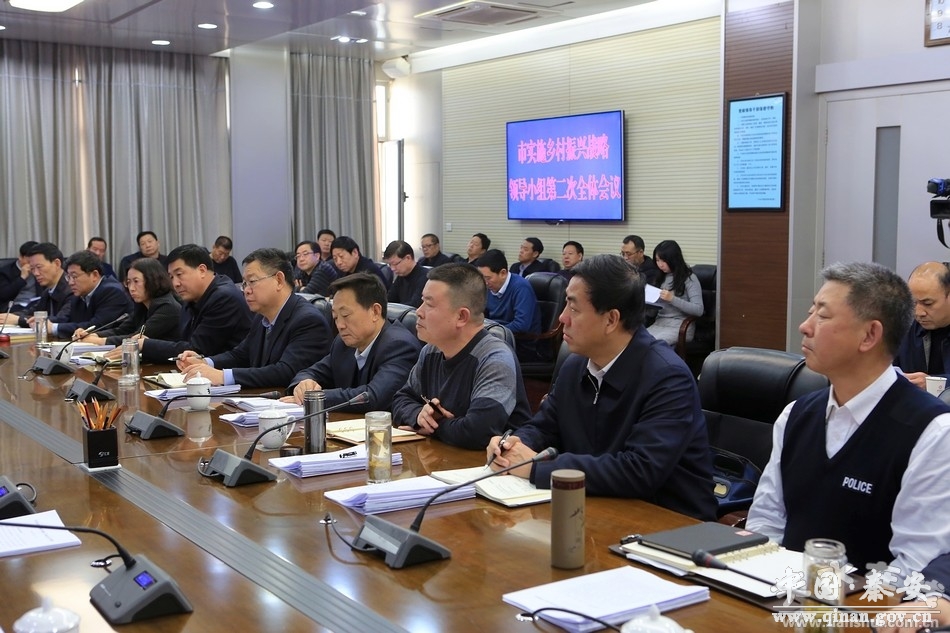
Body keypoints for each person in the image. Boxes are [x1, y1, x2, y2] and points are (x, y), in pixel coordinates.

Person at [746, 262, 950, 576]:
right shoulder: (796, 415)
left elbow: (915, 565)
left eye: (823, 316)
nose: (805, 327)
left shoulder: (932, 432)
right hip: (782, 592)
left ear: (869, 335)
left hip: (868, 602)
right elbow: (766, 523)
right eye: (811, 311)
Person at [486, 255, 716, 520]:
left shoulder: (667, 377)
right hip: (594, 507)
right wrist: (514, 444)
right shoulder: (575, 365)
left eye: (574, 309)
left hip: (668, 523)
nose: (562, 318)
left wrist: (536, 468)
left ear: (611, 320)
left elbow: (640, 470)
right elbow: (544, 427)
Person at [391, 263, 532, 450]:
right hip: (442, 455)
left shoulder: (496, 359)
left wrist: (434, 426)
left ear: (461, 317)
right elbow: (400, 400)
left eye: (429, 304)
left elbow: (478, 431)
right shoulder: (431, 350)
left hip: (489, 464)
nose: (418, 311)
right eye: (422, 301)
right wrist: (419, 416)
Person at [177, 248, 331, 388]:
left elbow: (286, 372)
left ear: (279, 280)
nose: (246, 290)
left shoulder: (308, 320)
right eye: (244, 284)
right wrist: (205, 362)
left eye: (252, 282)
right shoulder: (261, 317)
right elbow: (241, 355)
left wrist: (222, 376)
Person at [284, 273, 421, 412]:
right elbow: (312, 372)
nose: (340, 325)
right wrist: (303, 384)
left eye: (345, 315)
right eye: (335, 317)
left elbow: (374, 397)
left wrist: (316, 398)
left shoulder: (399, 346)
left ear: (375, 311)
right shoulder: (344, 343)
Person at [137, 244, 252, 363]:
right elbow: (184, 342)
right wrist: (147, 343)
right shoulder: (192, 297)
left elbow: (197, 350)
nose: (175, 283)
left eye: (179, 274)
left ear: (202, 270)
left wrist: (146, 345)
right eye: (171, 277)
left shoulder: (224, 298)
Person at [73, 257, 181, 346]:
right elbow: (121, 330)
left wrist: (100, 341)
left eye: (136, 281)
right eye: (128, 282)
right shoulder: (142, 305)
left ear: (153, 280)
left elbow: (136, 338)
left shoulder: (167, 307)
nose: (131, 288)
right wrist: (93, 335)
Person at [47, 250, 132, 340]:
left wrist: (53, 328)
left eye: (74, 277)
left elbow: (96, 326)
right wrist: (44, 322)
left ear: (95, 275)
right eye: (68, 277)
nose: (70, 282)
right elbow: (65, 318)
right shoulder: (80, 294)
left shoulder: (112, 292)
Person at [475, 249, 541, 362]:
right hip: (496, 339)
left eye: (487, 278)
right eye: (481, 278)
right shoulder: (488, 287)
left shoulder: (521, 287)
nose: (484, 283)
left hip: (521, 345)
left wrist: (491, 331)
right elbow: (482, 315)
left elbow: (521, 325)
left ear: (503, 273)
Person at [894, 261, 950, 390]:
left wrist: (935, 385)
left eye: (928, 303)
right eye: (913, 303)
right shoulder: (904, 327)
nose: (918, 313)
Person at [646, 240, 703, 346]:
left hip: (680, 326)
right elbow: (653, 313)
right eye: (657, 260)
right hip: (659, 323)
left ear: (674, 259)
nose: (660, 265)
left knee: (654, 345)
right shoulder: (660, 277)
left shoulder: (689, 278)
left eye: (663, 261)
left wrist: (672, 299)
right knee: (637, 342)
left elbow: (698, 310)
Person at [3, 243, 72, 329]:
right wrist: (8, 317)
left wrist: (18, 320)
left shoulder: (72, 288)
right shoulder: (48, 291)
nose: (35, 273)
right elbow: (32, 312)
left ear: (57, 264)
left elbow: (61, 320)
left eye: (39, 267)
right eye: (32, 268)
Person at [383, 240, 427, 307]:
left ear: (408, 258)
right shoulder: (401, 276)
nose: (392, 268)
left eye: (395, 264)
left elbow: (414, 306)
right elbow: (389, 300)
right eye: (390, 265)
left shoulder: (425, 277)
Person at [0, 240, 39, 309]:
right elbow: (3, 296)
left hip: (36, 305)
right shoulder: (5, 272)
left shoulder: (39, 269)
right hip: (14, 307)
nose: (32, 264)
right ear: (20, 257)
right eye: (29, 261)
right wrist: (22, 278)